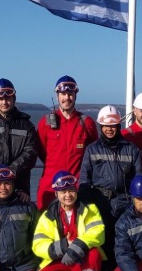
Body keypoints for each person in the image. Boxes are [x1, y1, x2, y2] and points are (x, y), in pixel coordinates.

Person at [79, 105, 142, 271]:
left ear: (119, 125)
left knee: (124, 241)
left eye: (114, 125)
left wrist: (135, 204)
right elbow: (84, 179)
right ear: (100, 126)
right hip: (100, 202)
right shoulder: (91, 150)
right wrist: (87, 206)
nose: (109, 129)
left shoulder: (132, 150)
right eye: (106, 125)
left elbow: (138, 178)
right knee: (104, 241)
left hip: (124, 202)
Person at [32, 171, 106, 271]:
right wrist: (64, 246)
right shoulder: (48, 216)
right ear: (56, 194)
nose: (68, 195)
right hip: (61, 261)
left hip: (81, 258)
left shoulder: (90, 209)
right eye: (63, 192)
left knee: (95, 253)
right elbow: (38, 245)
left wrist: (77, 246)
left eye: (71, 190)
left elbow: (98, 233)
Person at [35, 75, 97, 209]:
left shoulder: (86, 123)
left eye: (70, 94)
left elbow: (94, 152)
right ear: (57, 96)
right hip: (50, 186)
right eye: (63, 94)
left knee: (77, 226)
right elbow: (40, 150)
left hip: (76, 188)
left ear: (75, 96)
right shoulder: (45, 123)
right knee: (47, 226)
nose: (66, 98)